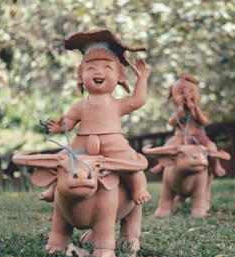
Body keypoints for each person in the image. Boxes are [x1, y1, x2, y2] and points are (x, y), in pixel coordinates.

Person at [40, 28, 151, 205]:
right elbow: (68, 122)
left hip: (113, 141)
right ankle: (53, 190)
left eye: (107, 68)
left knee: (131, 163)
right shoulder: (80, 106)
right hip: (82, 142)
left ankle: (139, 189)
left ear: (119, 76)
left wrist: (142, 79)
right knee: (63, 160)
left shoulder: (117, 104)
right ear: (81, 76)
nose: (99, 73)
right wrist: (59, 126)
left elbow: (138, 100)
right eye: (91, 68)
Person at [150, 74, 227, 177]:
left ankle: (216, 165)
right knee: (168, 146)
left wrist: (195, 109)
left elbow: (204, 122)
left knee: (211, 147)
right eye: (181, 93)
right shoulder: (177, 111)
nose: (187, 95)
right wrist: (180, 110)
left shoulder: (197, 110)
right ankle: (161, 165)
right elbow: (171, 122)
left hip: (197, 135)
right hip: (180, 136)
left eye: (192, 91)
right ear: (173, 99)